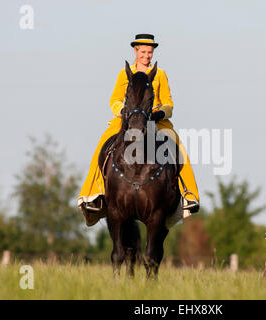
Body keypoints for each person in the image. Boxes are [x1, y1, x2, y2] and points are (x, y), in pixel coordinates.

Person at [78, 34, 199, 226]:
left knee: (177, 145)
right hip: (126, 119)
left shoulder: (160, 74)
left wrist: (160, 113)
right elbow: (114, 100)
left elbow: (168, 103)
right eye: (143, 52)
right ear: (135, 51)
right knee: (103, 142)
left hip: (154, 120)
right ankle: (94, 193)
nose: (147, 56)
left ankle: (188, 193)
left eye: (150, 52)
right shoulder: (124, 74)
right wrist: (123, 111)